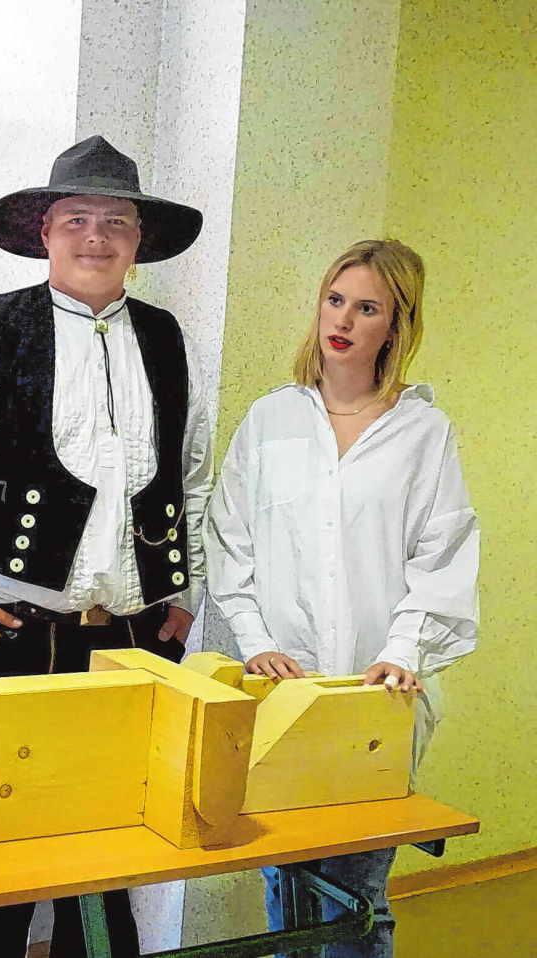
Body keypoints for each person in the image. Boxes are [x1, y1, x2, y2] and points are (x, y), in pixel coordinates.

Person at [0, 134, 212, 958]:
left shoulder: (167, 338)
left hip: (135, 645)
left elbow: (191, 483)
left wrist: (185, 598)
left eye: (116, 220)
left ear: (140, 239)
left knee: (111, 857)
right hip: (14, 636)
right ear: (44, 231)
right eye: (76, 217)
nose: (96, 237)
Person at [205, 239, 479, 957]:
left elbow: (441, 553)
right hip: (280, 687)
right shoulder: (271, 421)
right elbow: (229, 540)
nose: (345, 321)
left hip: (374, 695)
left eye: (368, 308)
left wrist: (402, 652)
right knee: (288, 889)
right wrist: (253, 636)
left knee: (357, 899)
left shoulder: (424, 432)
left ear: (397, 325)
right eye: (335, 300)